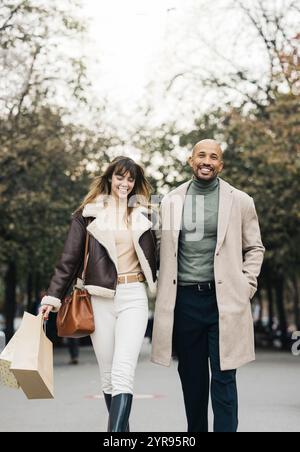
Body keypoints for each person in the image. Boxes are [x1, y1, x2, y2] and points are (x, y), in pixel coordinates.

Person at [151, 139, 265, 432]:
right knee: (193, 380)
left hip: (224, 300)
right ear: (191, 160)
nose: (207, 161)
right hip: (186, 302)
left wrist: (246, 285)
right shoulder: (170, 201)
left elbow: (255, 248)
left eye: (213, 157)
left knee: (225, 378)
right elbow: (159, 248)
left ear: (220, 165)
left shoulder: (240, 201)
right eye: (201, 155)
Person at [40, 156, 158, 432]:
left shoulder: (147, 215)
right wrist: (52, 297)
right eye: (120, 177)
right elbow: (68, 260)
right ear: (109, 178)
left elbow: (164, 256)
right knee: (108, 376)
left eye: (131, 179)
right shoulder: (86, 215)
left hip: (134, 295)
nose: (125, 183)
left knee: (122, 371)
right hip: (99, 297)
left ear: (136, 183)